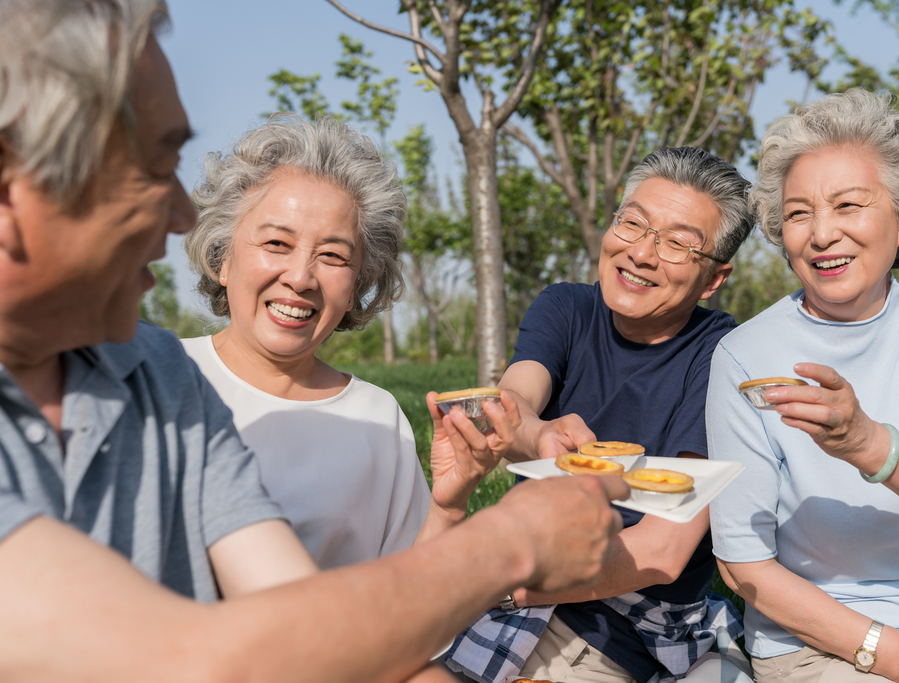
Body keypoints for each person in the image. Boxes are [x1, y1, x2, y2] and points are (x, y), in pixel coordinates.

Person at [0, 1, 629, 681]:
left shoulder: (165, 380)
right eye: (153, 169)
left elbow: (301, 624)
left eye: (333, 255)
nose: (182, 213)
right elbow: (187, 658)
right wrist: (511, 542)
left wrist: (458, 522)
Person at [707, 88, 899, 683]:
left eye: (847, 205)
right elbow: (743, 565)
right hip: (814, 645)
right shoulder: (745, 355)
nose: (821, 233)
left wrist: (866, 443)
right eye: (798, 214)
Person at [446, 147, 757, 683]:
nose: (641, 253)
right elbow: (513, 401)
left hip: (621, 624)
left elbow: (662, 550)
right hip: (523, 582)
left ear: (712, 280)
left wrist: (501, 581)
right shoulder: (567, 307)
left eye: (678, 243)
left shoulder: (720, 356)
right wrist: (540, 431)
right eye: (633, 224)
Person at [181, 115, 513, 567]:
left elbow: (407, 604)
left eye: (333, 256)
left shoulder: (377, 420)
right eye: (277, 243)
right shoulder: (160, 379)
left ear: (359, 283)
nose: (300, 277)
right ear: (222, 258)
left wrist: (448, 508)